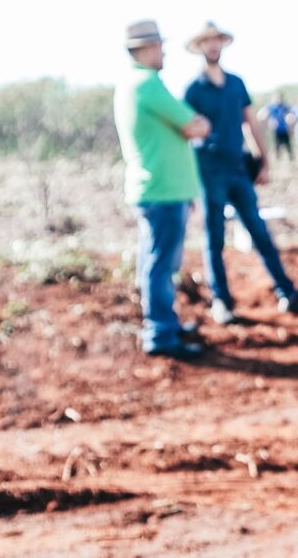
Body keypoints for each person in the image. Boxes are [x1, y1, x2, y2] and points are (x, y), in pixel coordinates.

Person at [183, 21, 298, 324]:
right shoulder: (193, 90)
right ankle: (222, 302)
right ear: (199, 48)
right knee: (214, 239)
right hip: (209, 172)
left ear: (223, 44)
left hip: (238, 170)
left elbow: (250, 122)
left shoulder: (236, 83)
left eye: (217, 40)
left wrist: (264, 160)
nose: (213, 45)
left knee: (259, 232)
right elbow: (186, 131)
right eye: (207, 41)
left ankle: (288, 294)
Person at [113, 20, 211, 360]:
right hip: (163, 192)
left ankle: (163, 324)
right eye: (157, 45)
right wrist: (195, 126)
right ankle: (161, 333)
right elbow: (194, 126)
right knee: (160, 264)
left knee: (155, 261)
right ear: (142, 49)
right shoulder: (148, 84)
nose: (163, 50)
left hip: (158, 191)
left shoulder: (132, 85)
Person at [257, 93, 294, 160]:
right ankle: (277, 159)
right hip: (276, 130)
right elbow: (263, 113)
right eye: (276, 98)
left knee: (288, 145)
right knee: (277, 145)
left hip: (285, 129)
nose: (278, 100)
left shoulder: (285, 107)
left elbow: (291, 114)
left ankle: (291, 158)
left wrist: (290, 120)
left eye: (279, 98)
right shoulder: (271, 107)